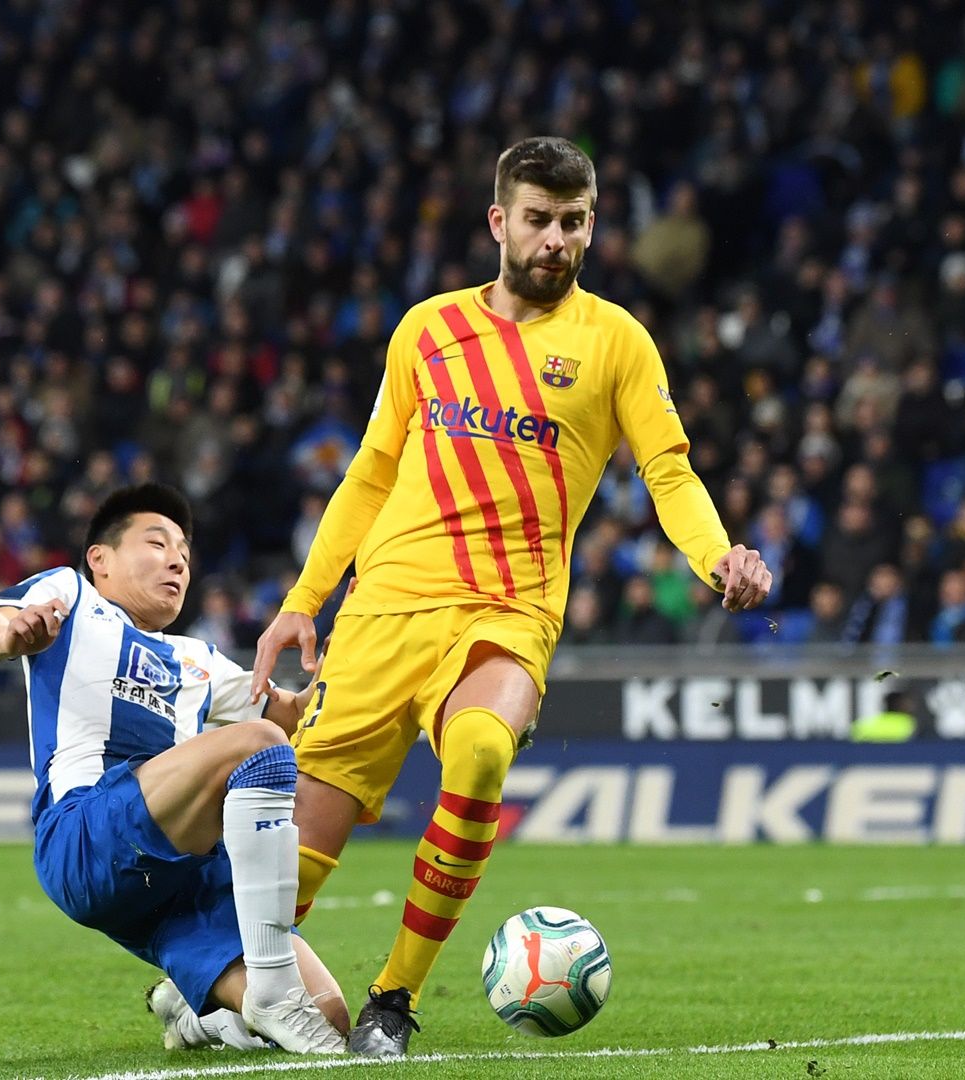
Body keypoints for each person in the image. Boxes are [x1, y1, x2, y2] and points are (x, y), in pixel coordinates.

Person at [249, 137, 773, 1057]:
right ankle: (210, 985)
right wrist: (304, 597)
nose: (556, 240)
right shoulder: (427, 330)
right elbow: (370, 474)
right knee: (291, 877)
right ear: (499, 221)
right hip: (383, 610)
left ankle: (392, 1001)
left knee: (483, 750)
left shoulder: (616, 341)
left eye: (574, 222)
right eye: (538, 220)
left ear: (593, 227)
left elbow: (668, 470)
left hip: (507, 611)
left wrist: (717, 553)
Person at [0, 483, 348, 1054]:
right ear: (100, 559)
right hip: (87, 835)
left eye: (185, 554)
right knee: (260, 745)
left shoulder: (199, 658)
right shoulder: (71, 594)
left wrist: (354, 643)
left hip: (173, 882)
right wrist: (13, 633)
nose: (177, 562)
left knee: (331, 1020)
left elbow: (293, 713)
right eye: (158, 543)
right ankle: (270, 988)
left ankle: (196, 1019)